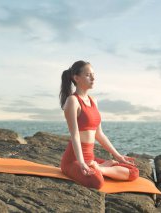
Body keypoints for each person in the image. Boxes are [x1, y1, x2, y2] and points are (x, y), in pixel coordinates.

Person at [59, 60, 139, 189]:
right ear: (76, 78)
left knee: (134, 172)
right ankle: (99, 168)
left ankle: (100, 168)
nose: (93, 78)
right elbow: (75, 136)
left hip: (91, 159)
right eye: (88, 75)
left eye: (93, 74)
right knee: (97, 182)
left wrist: (118, 156)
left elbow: (99, 134)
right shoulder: (73, 101)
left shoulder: (93, 101)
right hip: (73, 160)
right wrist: (81, 163)